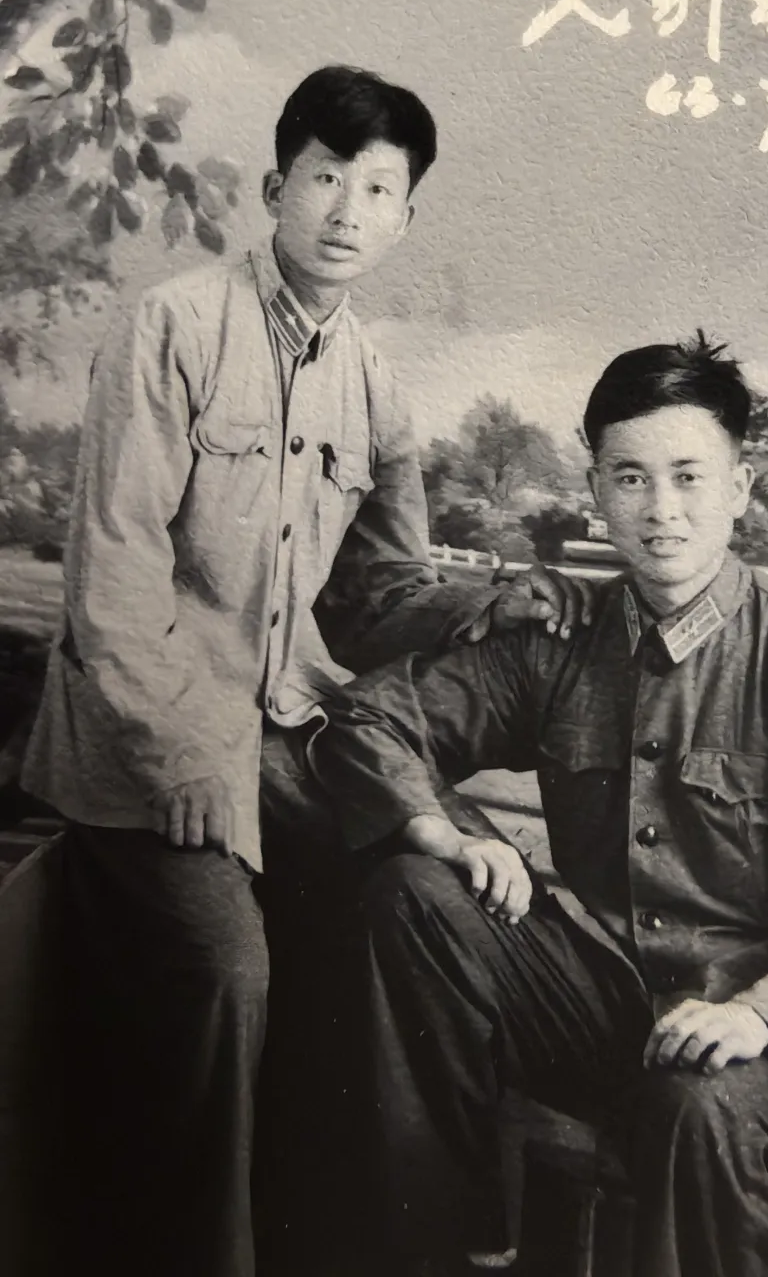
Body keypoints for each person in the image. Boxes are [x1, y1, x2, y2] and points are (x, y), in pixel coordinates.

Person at [20, 65, 588, 1277]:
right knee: (228, 973)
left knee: (431, 906)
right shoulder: (173, 326)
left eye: (377, 189)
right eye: (326, 177)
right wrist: (180, 754)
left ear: (403, 219)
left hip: (286, 734)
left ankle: (387, 1247)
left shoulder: (374, 380)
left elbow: (376, 600)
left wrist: (490, 602)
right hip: (147, 743)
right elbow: (113, 576)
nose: (345, 209)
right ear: (277, 187)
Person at [309, 333, 768, 1277]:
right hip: (620, 1019)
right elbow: (371, 717)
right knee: (416, 889)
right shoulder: (566, 638)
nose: (662, 511)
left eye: (689, 477)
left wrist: (763, 1019)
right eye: (632, 478)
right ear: (597, 490)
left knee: (701, 1100)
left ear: (740, 487)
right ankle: (451, 1245)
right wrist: (444, 831)